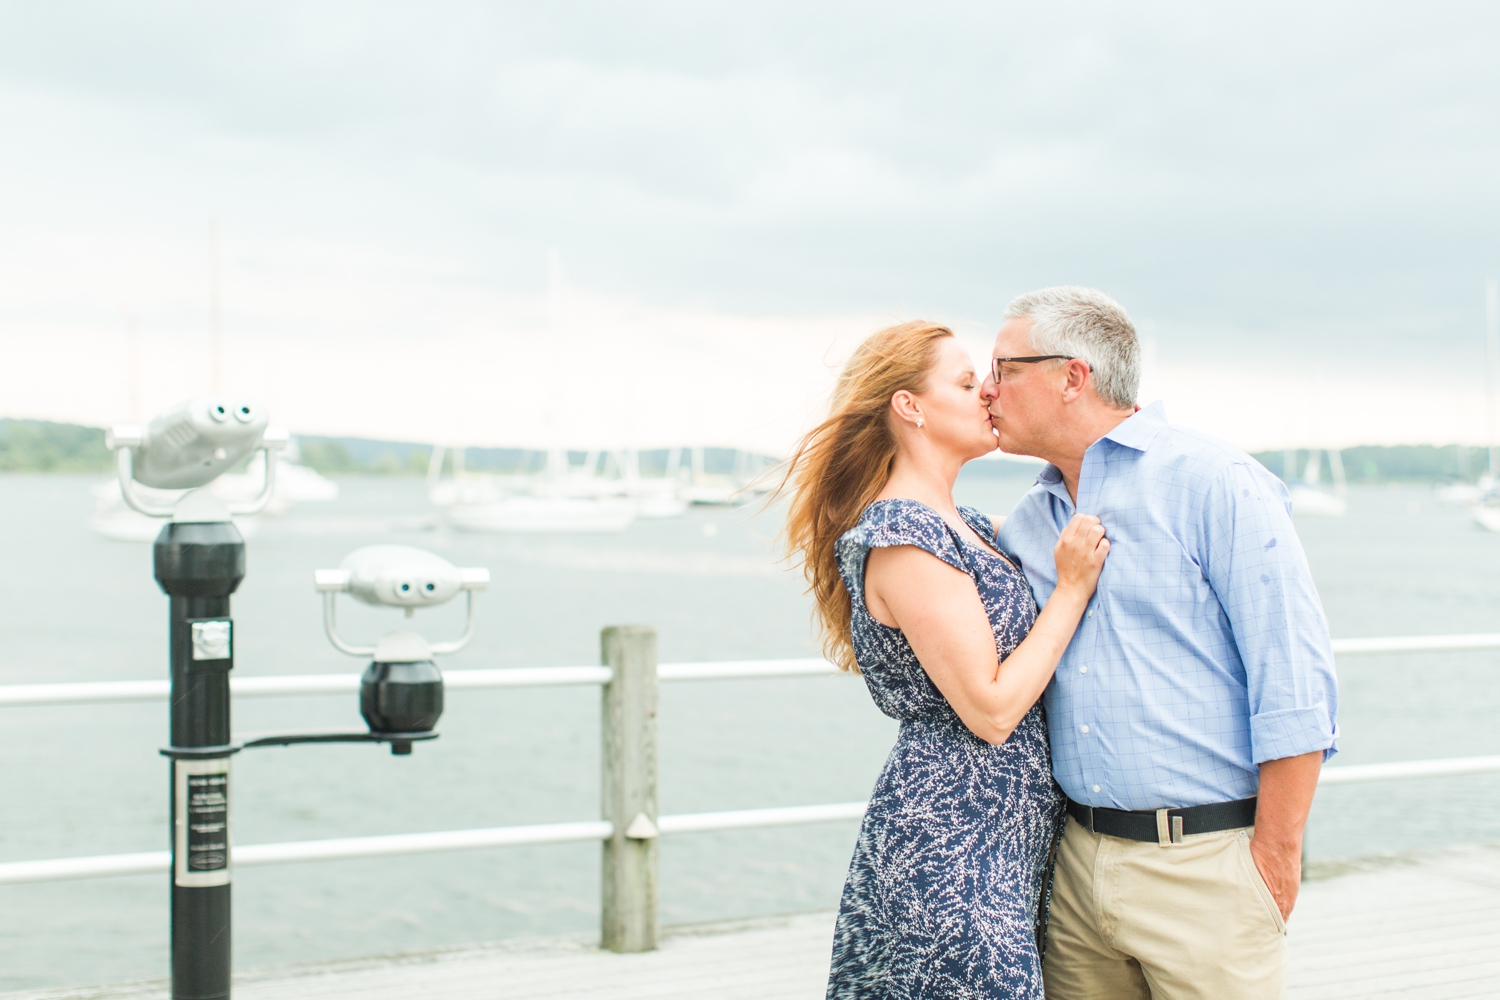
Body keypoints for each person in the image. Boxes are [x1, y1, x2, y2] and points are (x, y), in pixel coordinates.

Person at [986, 286, 1340, 1000]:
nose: (986, 390)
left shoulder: (1217, 481)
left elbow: (1295, 684)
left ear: (1072, 376)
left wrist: (1271, 859)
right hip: (1075, 867)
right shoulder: (1028, 521)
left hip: (1207, 867)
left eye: (1004, 368)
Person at [778, 320, 1111, 1000]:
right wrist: (1072, 589)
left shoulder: (973, 528)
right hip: (950, 844)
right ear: (910, 407)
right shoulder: (904, 536)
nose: (987, 392)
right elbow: (990, 709)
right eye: (964, 382)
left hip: (1003, 844)